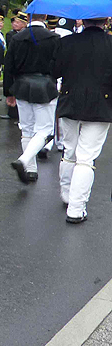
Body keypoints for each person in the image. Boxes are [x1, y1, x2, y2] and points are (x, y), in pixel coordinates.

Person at [53, 17, 112, 222]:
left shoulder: (67, 42)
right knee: (86, 159)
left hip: (70, 101)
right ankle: (76, 209)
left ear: (84, 20)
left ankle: (66, 194)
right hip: (101, 105)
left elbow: (55, 72)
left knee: (69, 151)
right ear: (106, 21)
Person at [4, 12, 60, 183]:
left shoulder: (18, 37)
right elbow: (59, 65)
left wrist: (9, 92)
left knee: (27, 130)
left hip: (21, 86)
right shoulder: (54, 38)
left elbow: (9, 66)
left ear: (28, 17)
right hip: (45, 86)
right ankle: (24, 160)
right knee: (45, 130)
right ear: (45, 17)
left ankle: (31, 170)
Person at [0, 10, 27, 120]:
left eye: (18, 22)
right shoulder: (11, 34)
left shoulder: (25, 35)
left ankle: (20, 115)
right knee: (12, 86)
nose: (15, 24)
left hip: (21, 65)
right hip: (13, 64)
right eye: (15, 22)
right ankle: (12, 112)